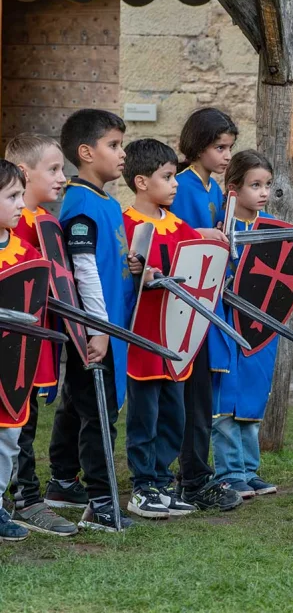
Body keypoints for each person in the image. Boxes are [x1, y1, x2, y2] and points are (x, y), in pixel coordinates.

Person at [48, 109, 137, 532]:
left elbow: (103, 261)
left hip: (103, 325)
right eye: (114, 145)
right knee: (98, 410)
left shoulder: (104, 199)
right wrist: (97, 330)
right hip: (91, 328)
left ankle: (63, 481)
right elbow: (82, 272)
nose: (122, 154)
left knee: (78, 400)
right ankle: (101, 503)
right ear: (86, 152)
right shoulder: (80, 203)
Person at [122, 138, 201, 518]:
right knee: (144, 414)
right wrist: (137, 273)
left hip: (177, 336)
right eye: (167, 177)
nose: (175, 184)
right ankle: (142, 486)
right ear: (141, 181)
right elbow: (120, 279)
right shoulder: (125, 225)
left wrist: (212, 240)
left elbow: (199, 267)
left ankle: (162, 481)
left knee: (174, 414)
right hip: (143, 337)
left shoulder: (181, 226)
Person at [3, 135, 77, 536]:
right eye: (53, 169)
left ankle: (25, 496)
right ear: (23, 173)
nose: (62, 178)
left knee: (23, 420)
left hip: (35, 340)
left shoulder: (46, 224)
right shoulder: (19, 230)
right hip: (9, 344)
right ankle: (22, 497)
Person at [170, 108, 242, 512]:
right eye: (219, 147)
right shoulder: (178, 186)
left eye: (230, 147)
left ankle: (195, 473)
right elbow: (169, 236)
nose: (227, 155)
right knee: (184, 396)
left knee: (200, 396)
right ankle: (188, 477)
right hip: (182, 305)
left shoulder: (214, 190)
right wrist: (201, 235)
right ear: (198, 146)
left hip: (207, 304)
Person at [212, 150, 279, 498]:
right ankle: (229, 471)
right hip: (225, 323)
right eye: (256, 185)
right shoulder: (220, 229)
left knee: (252, 399)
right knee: (226, 399)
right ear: (234, 190)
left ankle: (249, 470)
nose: (264, 192)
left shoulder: (268, 231)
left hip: (259, 326)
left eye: (267, 185)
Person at [0, 160, 40, 541]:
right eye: (12, 196)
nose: (20, 205)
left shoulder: (26, 253)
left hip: (12, 366)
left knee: (9, 436)